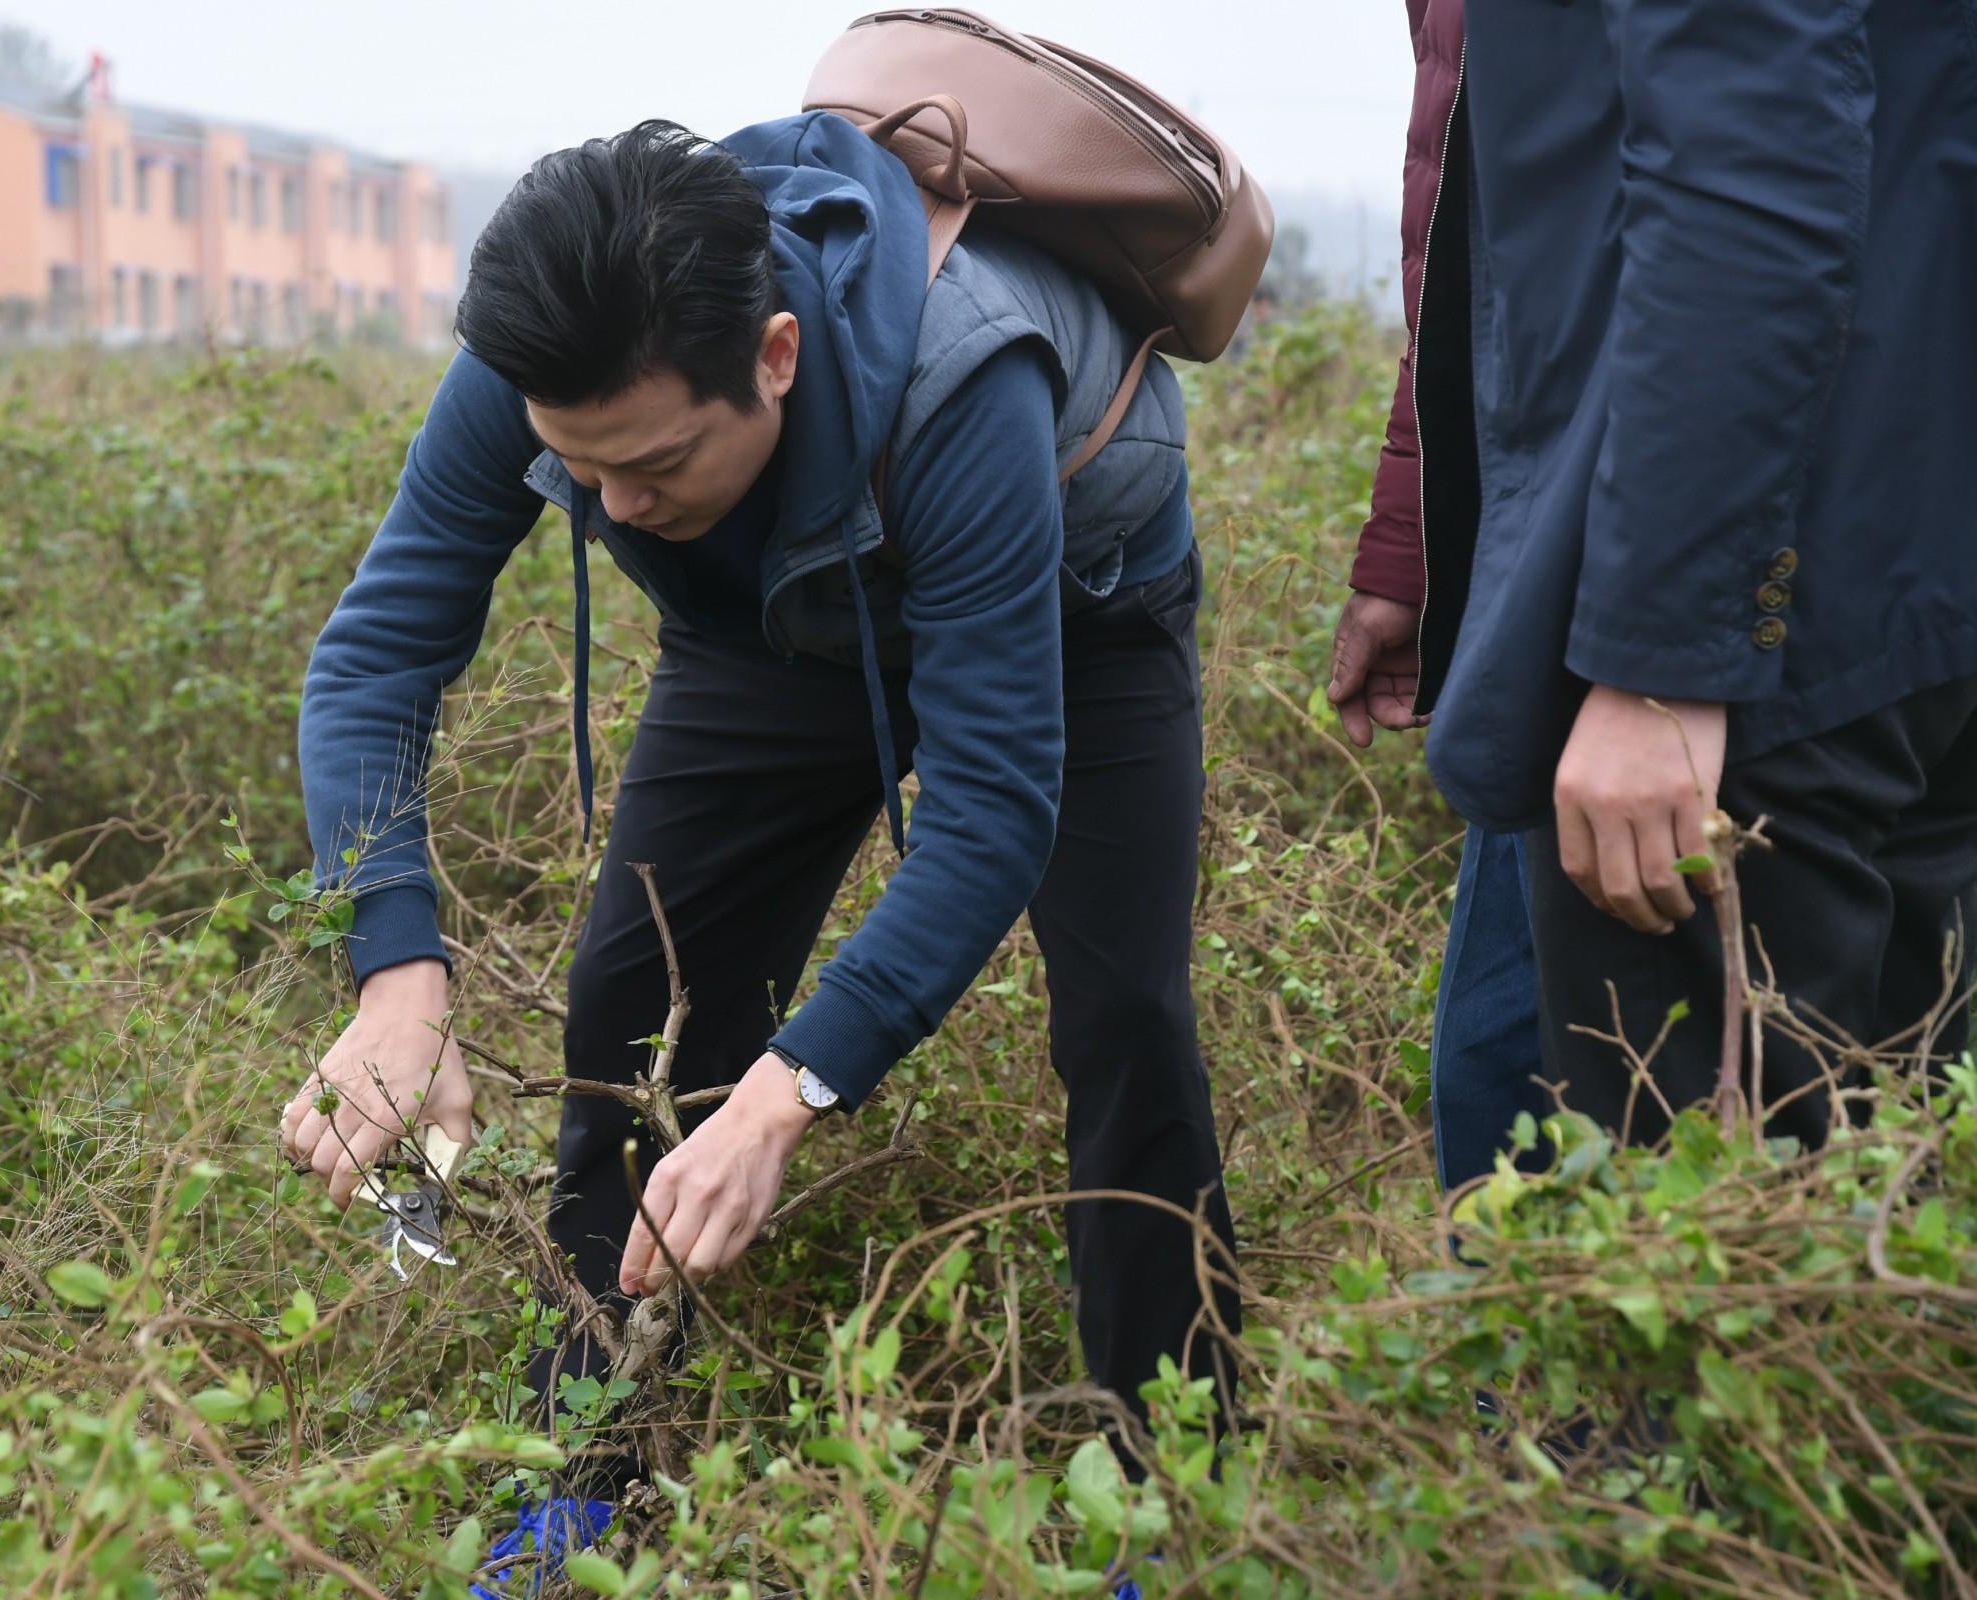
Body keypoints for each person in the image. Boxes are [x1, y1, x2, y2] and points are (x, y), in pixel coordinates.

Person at [279, 116, 1241, 1584]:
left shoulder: (965, 378)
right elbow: (372, 665)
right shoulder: (539, 368)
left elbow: (989, 813)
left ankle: (1178, 1508)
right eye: (577, 469)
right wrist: (395, 975)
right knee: (636, 1012)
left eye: (654, 461)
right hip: (774, 619)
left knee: (1124, 1024)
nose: (612, 508)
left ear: (776, 355)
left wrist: (791, 1090)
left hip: (1075, 603)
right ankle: (584, 1478)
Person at [1410, 2, 1977, 1154]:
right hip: (1906, 570)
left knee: (1701, 1280)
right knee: (1902, 1236)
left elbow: (1750, 158)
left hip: (1772, 621)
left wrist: (1660, 660)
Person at [1327, 0, 1555, 1197]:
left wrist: (1655, 659)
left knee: (1526, 1073)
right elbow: (1472, 292)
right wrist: (1408, 550)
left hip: (1636, 586)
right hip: (1546, 548)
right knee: (1498, 1070)